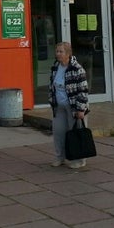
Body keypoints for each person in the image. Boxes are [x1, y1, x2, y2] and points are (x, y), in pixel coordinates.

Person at [48, 41, 89, 169]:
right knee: (58, 132)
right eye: (57, 51)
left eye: (61, 51)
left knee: (76, 133)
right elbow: (52, 85)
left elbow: (83, 90)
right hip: (59, 106)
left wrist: (80, 109)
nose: (58, 54)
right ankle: (60, 157)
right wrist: (52, 100)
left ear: (68, 53)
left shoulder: (77, 69)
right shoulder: (55, 66)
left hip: (74, 107)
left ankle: (79, 160)